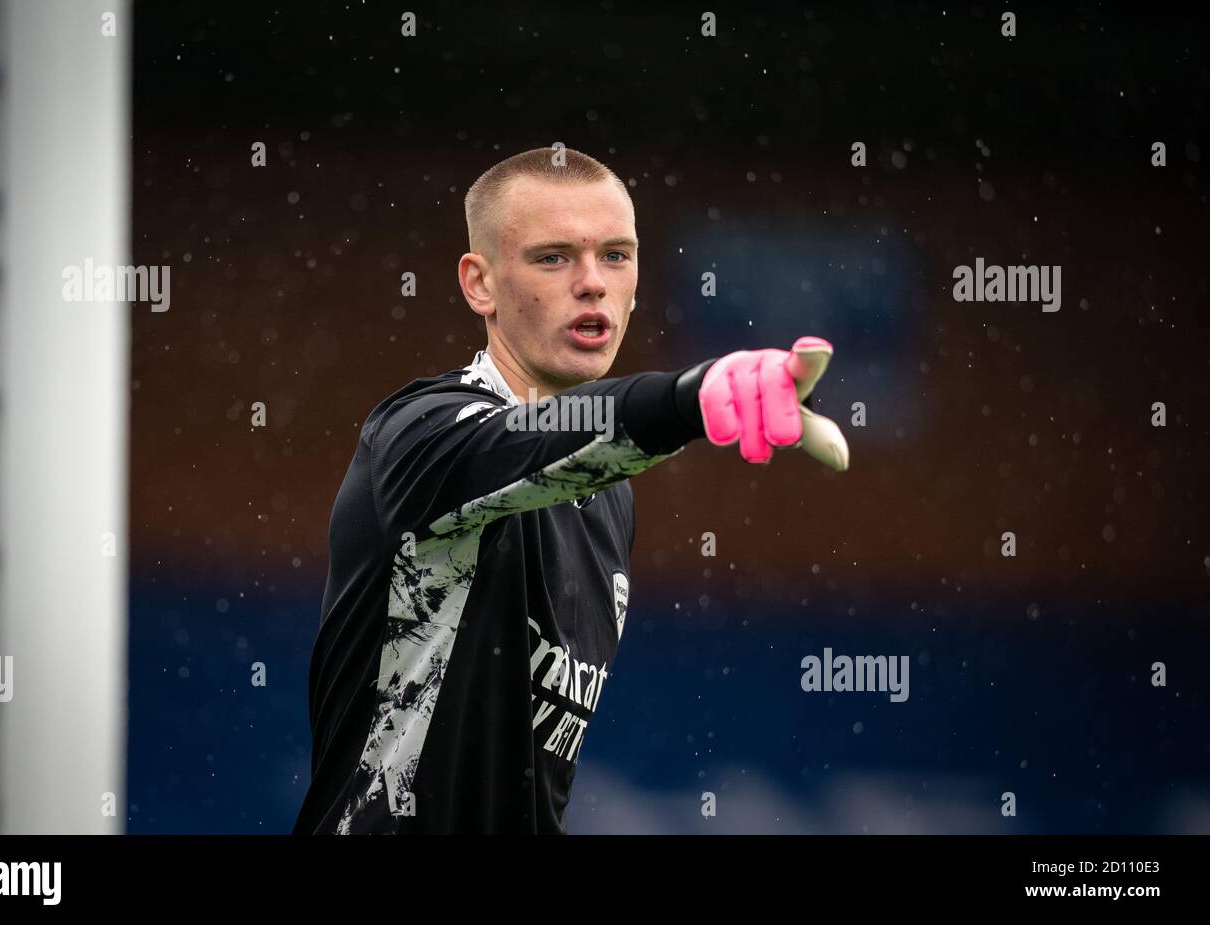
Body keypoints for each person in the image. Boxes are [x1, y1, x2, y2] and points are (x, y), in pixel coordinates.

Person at [293, 146, 848, 834]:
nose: (592, 282)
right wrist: (685, 398)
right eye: (553, 257)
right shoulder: (418, 434)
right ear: (479, 284)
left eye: (616, 255)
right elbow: (524, 445)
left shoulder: (610, 493)